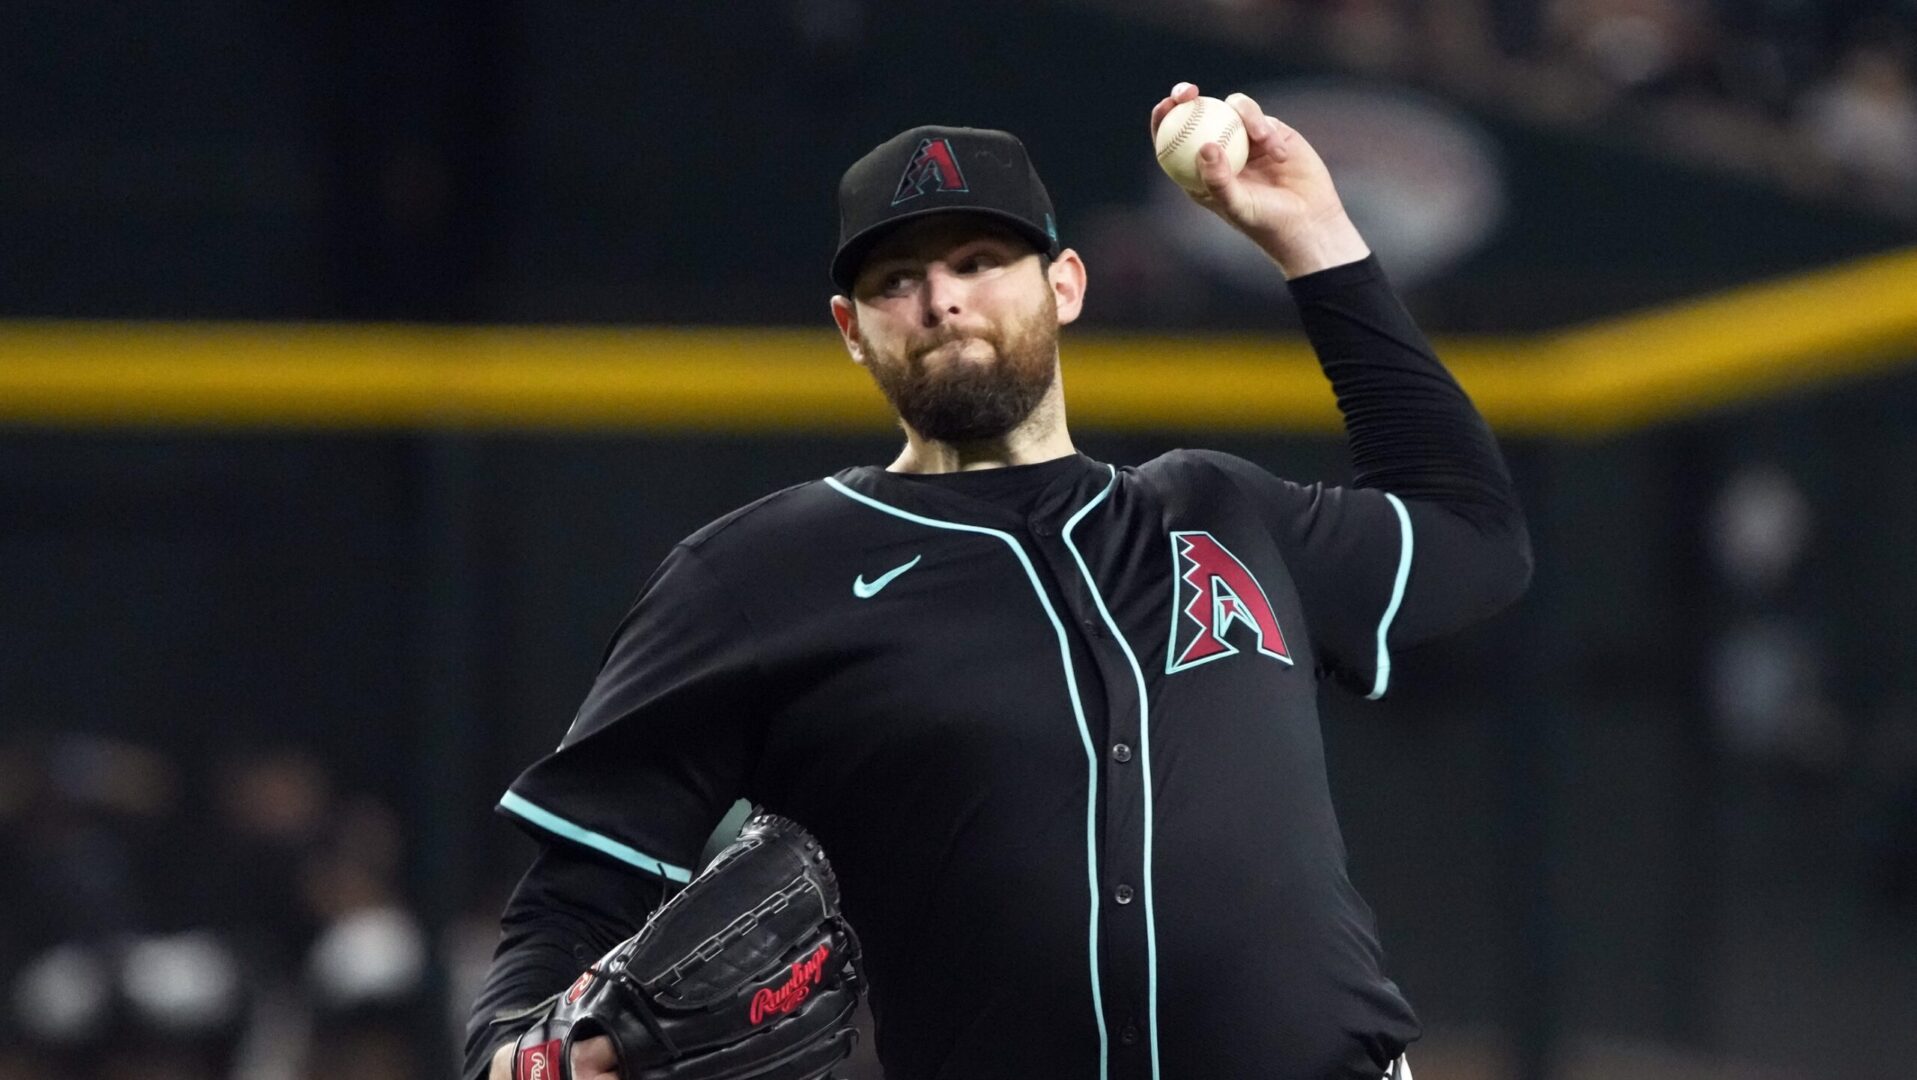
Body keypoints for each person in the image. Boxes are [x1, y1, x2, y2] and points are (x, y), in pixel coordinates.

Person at [466, 82, 1532, 1080]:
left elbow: (1474, 535)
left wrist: (1313, 238)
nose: (942, 299)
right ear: (852, 330)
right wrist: (515, 1053)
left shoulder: (1220, 512)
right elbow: (575, 891)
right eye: (896, 280)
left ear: (1063, 284)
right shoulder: (758, 574)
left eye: (980, 260)